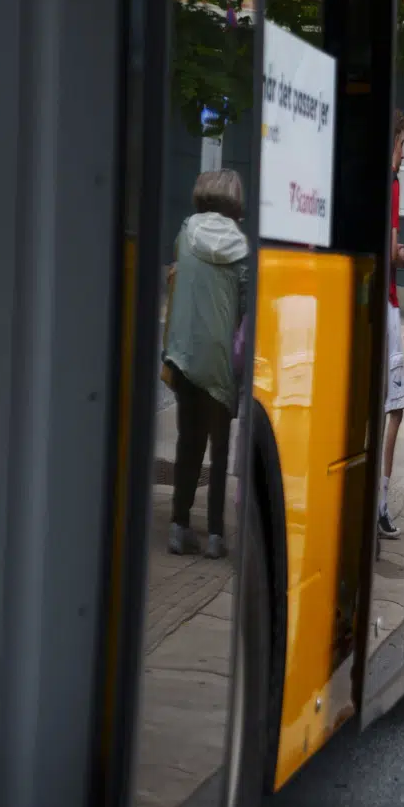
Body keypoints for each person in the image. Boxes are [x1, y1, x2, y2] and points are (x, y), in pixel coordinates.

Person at [164, 169, 250, 560]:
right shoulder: (241, 249)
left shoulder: (185, 233)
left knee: (188, 443)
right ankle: (215, 535)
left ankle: (179, 526)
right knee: (219, 451)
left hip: (185, 355)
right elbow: (245, 309)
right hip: (221, 362)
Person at [379, 110, 404, 541]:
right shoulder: (390, 184)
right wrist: (400, 257)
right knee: (395, 407)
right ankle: (382, 504)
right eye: (403, 144)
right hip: (387, 303)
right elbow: (389, 251)